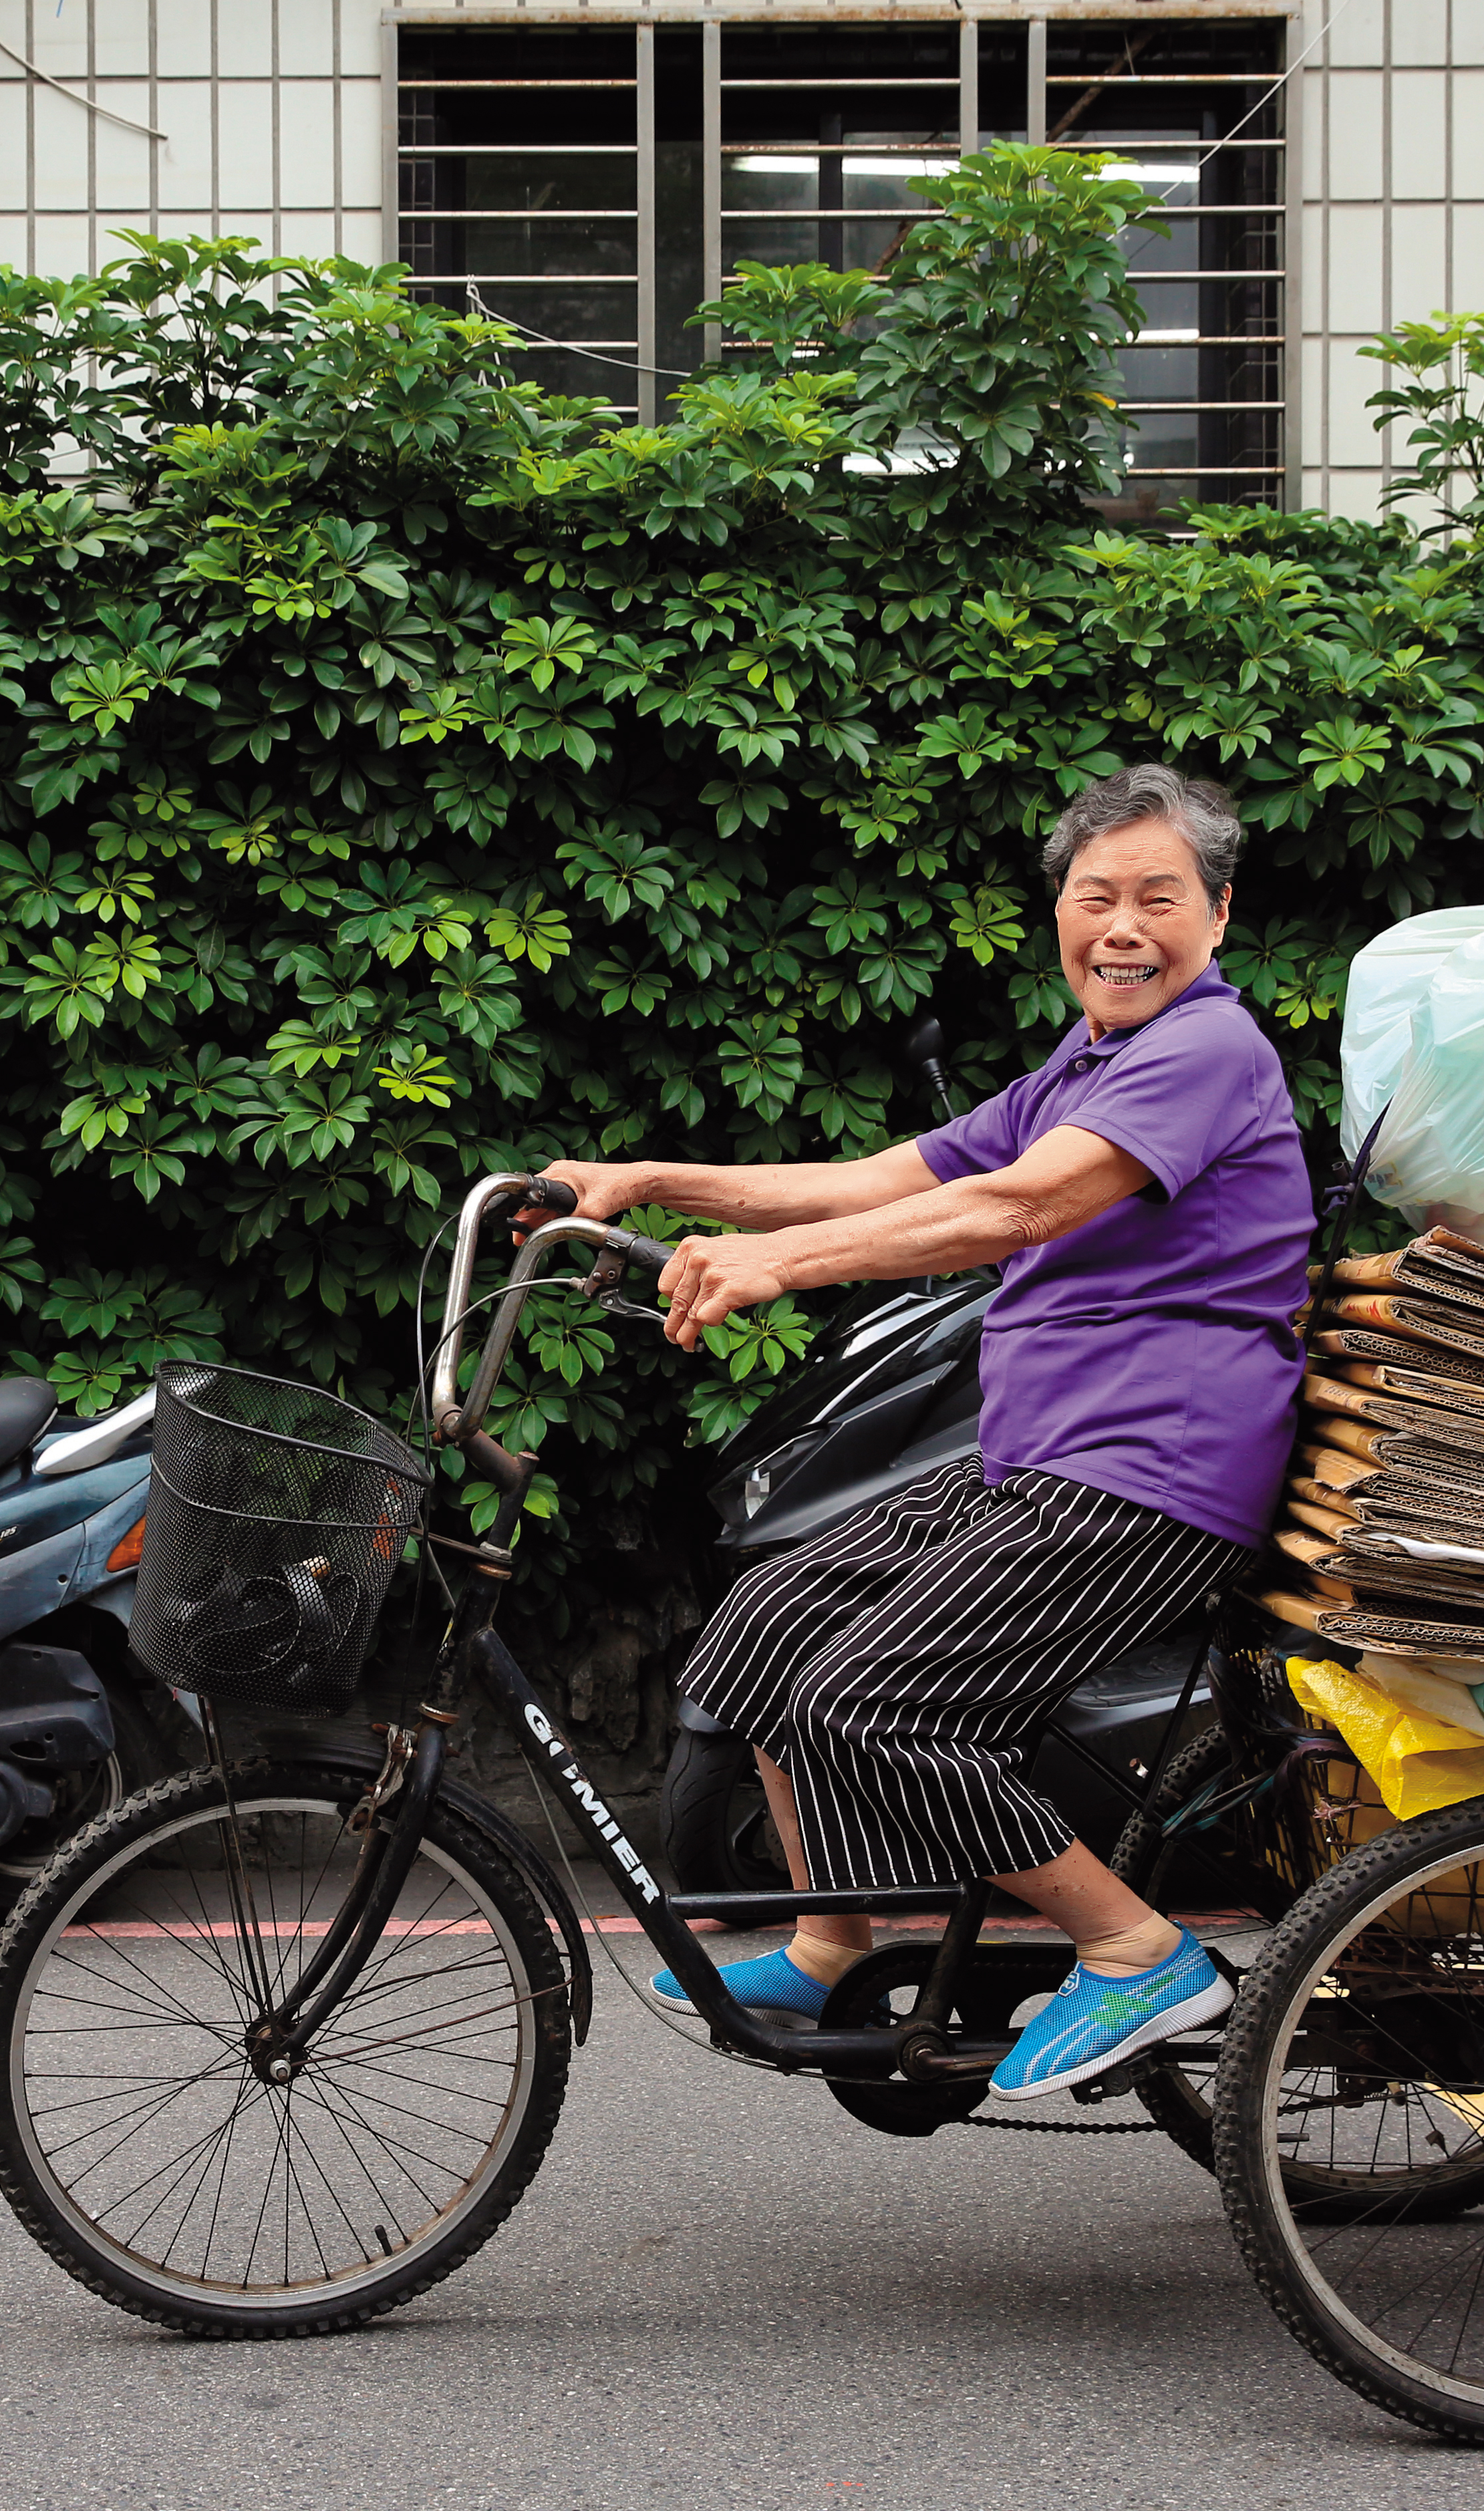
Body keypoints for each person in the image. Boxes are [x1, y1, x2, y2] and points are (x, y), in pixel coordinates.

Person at [529, 762, 1313, 2099]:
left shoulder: (1204, 1053)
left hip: (1149, 1473)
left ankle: (1134, 1950)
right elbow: (881, 1176)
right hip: (1041, 1458)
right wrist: (651, 1179)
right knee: (768, 1620)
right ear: (1059, 914)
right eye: (1092, 896)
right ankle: (832, 1935)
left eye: (1156, 897)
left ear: (1218, 917)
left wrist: (781, 1268)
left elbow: (1012, 1211)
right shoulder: (1087, 1060)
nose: (1119, 925)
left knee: (871, 1708)